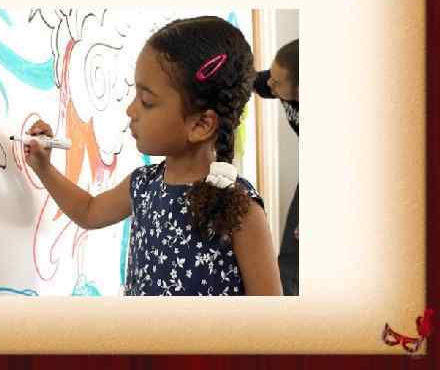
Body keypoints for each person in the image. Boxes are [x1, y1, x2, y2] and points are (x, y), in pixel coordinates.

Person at [23, 16, 282, 296]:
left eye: (146, 102)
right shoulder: (143, 185)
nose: (131, 110)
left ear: (200, 124)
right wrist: (43, 168)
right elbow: (89, 211)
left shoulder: (240, 211)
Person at [254, 39, 299, 296]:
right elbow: (250, 81)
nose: (269, 84)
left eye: (277, 82)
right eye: (271, 75)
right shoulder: (275, 82)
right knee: (290, 258)